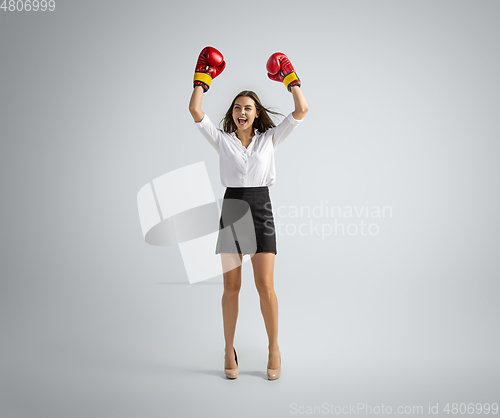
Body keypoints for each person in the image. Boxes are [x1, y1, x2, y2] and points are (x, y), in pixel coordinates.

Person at [188, 46, 308, 380]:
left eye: (249, 108)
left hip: (260, 207)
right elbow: (195, 109)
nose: (243, 112)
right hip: (233, 208)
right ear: (233, 112)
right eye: (238, 107)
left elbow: (302, 108)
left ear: (256, 114)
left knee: (265, 286)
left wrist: (289, 78)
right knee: (230, 288)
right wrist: (203, 78)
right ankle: (229, 350)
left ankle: (274, 349)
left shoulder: (270, 139)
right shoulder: (222, 140)